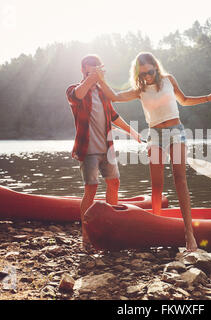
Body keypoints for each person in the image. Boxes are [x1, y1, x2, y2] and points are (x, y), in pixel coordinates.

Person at [97, 52, 211, 252]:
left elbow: (184, 100)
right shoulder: (139, 90)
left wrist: (208, 98)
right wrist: (100, 80)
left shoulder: (168, 80)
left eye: (149, 71)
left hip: (176, 132)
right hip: (155, 135)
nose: (147, 76)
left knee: (180, 179)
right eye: (143, 74)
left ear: (156, 67)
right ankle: (156, 226)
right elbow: (114, 96)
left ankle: (189, 234)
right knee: (157, 185)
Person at [66, 54, 141, 250]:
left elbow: (114, 116)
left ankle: (111, 228)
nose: (97, 73)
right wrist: (93, 77)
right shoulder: (74, 90)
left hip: (107, 149)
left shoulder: (102, 93)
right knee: (91, 189)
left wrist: (132, 131)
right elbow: (77, 96)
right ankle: (86, 234)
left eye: (99, 69)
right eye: (92, 69)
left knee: (114, 183)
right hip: (88, 150)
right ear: (83, 70)